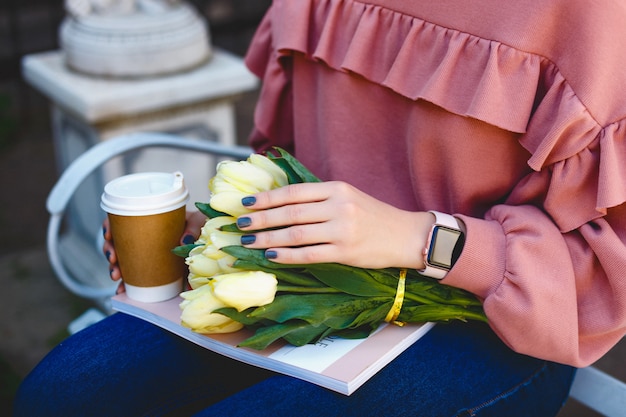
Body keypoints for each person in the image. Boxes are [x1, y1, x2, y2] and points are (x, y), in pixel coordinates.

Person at [15, 0, 626, 415]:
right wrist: (231, 229)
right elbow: (292, 151)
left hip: (492, 325)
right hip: (301, 281)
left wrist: (422, 239)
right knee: (59, 393)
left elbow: (605, 281)